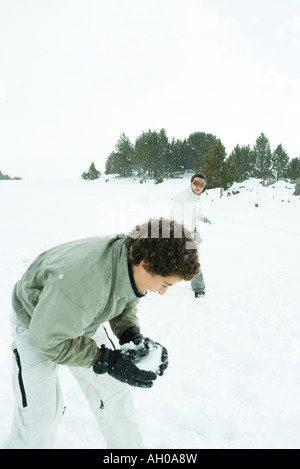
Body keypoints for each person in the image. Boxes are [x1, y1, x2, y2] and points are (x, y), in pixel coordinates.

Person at [4, 218, 199, 449]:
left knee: (114, 392)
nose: (163, 292)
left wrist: (130, 334)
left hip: (81, 315)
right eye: (165, 284)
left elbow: (125, 295)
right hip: (36, 323)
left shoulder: (129, 257)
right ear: (145, 265)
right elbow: (47, 339)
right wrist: (103, 359)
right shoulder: (84, 286)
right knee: (40, 416)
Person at [171, 173, 211, 298]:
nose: (199, 187)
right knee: (193, 261)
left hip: (191, 232)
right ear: (191, 183)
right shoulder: (182, 197)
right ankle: (199, 289)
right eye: (196, 183)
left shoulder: (197, 197)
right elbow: (175, 218)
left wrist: (201, 217)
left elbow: (196, 212)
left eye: (202, 184)